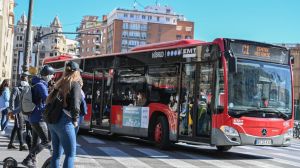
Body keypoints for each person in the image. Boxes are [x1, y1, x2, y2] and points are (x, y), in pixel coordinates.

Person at [47, 61, 82, 168]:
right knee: (70, 154)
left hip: (53, 121)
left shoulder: (59, 83)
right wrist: (75, 120)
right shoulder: (75, 84)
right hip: (65, 122)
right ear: (76, 72)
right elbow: (76, 105)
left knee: (56, 154)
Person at [22, 65, 55, 168]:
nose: (52, 77)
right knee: (46, 141)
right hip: (39, 117)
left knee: (35, 143)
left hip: (33, 117)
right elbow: (47, 100)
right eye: (52, 75)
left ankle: (32, 162)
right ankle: (28, 159)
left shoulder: (37, 83)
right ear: (47, 75)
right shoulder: (41, 85)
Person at [7, 73, 29, 151]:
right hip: (17, 111)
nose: (25, 79)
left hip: (23, 110)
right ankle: (22, 144)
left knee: (16, 127)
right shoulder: (16, 88)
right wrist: (12, 111)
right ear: (21, 79)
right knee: (20, 127)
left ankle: (11, 144)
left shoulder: (27, 87)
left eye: (26, 78)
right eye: (24, 78)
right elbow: (11, 99)